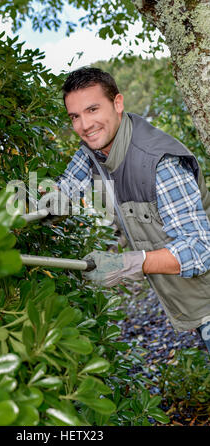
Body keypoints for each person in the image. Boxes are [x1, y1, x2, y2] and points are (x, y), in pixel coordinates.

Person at [55, 66, 210, 353]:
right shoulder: (94, 150)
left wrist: (127, 264)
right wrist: (28, 202)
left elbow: (201, 249)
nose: (84, 125)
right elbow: (63, 191)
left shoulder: (159, 162)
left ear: (118, 103)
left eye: (92, 110)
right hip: (192, 303)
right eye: (75, 116)